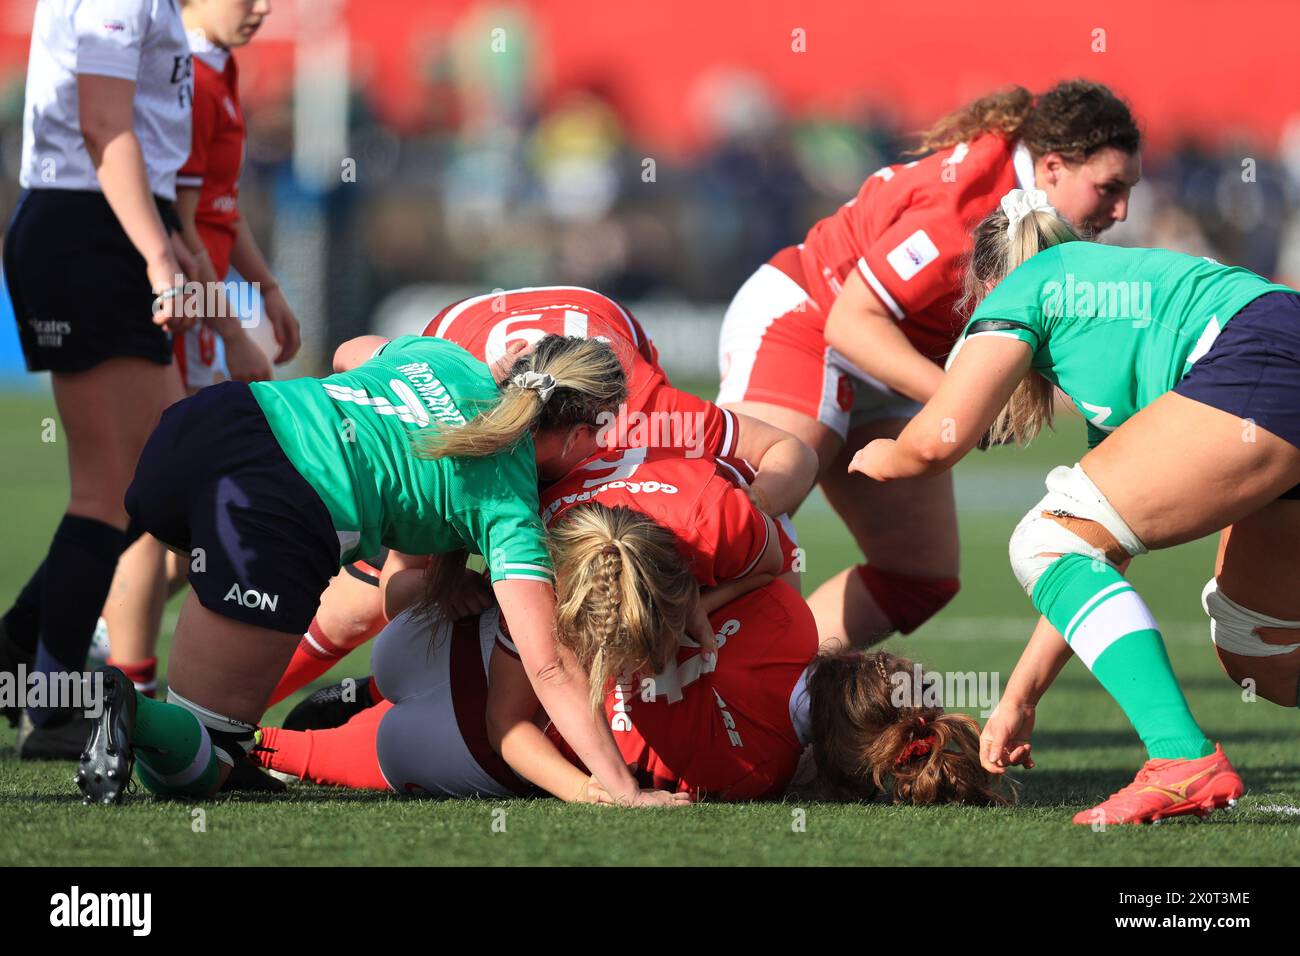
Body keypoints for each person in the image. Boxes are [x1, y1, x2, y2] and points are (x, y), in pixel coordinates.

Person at [77, 334, 690, 811]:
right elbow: (549, 663)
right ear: (577, 432)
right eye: (601, 434)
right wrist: (624, 789)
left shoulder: (449, 358)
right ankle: (132, 704)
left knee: (211, 726)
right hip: (272, 502)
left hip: (206, 425)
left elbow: (349, 353)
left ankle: (151, 710)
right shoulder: (508, 506)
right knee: (209, 764)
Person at [848, 188, 1300, 824]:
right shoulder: (1108, 318)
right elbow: (1100, 551)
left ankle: (1180, 758)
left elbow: (934, 443)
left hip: (1264, 360)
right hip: (1275, 350)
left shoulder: (1024, 287)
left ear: (984, 285)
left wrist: (880, 455)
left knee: (1039, 540)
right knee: (1263, 655)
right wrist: (1020, 696)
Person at [255, 449, 1006, 807]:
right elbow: (616, 707)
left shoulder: (781, 612)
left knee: (422, 593)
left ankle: (347, 681)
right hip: (475, 747)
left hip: (466, 633)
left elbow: (767, 547)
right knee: (279, 756)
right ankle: (272, 733)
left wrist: (713, 605)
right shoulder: (758, 774)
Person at [716, 80, 1141, 647]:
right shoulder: (963, 210)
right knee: (753, 509)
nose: (1121, 210)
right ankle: (636, 671)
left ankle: (785, 684)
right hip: (807, 318)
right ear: (1055, 168)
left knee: (919, 576)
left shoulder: (1030, 193)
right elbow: (851, 322)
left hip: (884, 354)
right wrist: (961, 401)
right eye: (1109, 188)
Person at [262, 285, 816, 707]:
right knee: (359, 608)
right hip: (473, 362)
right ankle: (250, 716)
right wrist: (449, 587)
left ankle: (775, 702)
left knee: (766, 544)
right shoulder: (457, 427)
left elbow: (791, 453)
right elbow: (394, 589)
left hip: (580, 341)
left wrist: (748, 518)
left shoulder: (648, 415)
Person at [0, 0, 197, 757]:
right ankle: (50, 712)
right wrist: (156, 254)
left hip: (110, 225)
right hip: (89, 231)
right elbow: (103, 124)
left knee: (148, 486)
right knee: (112, 491)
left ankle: (17, 661)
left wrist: (165, 244)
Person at [99, 0, 302, 709]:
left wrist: (265, 290)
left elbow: (220, 206)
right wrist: (233, 329)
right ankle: (125, 688)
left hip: (205, 316)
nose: (263, 7)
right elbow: (179, 227)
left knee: (194, 527)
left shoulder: (219, 67)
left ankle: (90, 644)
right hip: (181, 318)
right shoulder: (181, 74)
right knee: (159, 512)